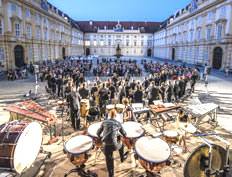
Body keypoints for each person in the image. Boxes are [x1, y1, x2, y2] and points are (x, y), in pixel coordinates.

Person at [97, 109, 127, 177]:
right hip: (114, 145)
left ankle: (111, 175)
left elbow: (98, 133)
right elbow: (124, 134)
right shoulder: (118, 123)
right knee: (121, 144)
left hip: (106, 145)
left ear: (109, 115)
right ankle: (122, 157)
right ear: (116, 115)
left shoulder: (104, 122)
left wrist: (103, 137)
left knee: (109, 160)